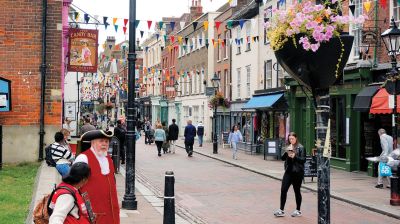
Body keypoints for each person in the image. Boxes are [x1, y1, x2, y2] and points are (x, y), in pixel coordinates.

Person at [74, 130, 120, 224]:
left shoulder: (108, 159)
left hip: (111, 210)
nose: (104, 144)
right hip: (92, 209)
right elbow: (74, 184)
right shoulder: (83, 158)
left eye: (106, 142)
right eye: (101, 141)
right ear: (93, 142)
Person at [274, 132, 306, 218]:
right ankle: (281, 210)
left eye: (292, 138)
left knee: (297, 191)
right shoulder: (288, 146)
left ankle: (298, 210)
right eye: (290, 139)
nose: (291, 140)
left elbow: (303, 160)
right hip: (288, 172)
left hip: (297, 173)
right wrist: (286, 152)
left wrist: (294, 156)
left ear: (296, 138)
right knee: (283, 190)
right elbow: (282, 158)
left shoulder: (301, 147)